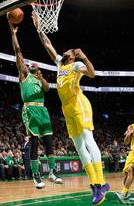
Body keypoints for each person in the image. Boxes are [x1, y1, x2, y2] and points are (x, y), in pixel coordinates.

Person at [32, 12, 109, 205]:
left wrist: (84, 56)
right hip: (66, 108)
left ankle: (99, 182)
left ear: (74, 56)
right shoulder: (60, 63)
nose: (66, 50)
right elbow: (47, 45)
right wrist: (39, 26)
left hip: (79, 104)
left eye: (71, 51)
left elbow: (92, 74)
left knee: (88, 140)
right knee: (78, 145)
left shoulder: (76, 65)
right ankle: (96, 185)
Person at [9, 21, 63, 189]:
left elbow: (47, 88)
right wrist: (13, 34)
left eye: (35, 65)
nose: (33, 64)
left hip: (42, 110)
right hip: (30, 109)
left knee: (48, 141)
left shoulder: (40, 79)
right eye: (31, 64)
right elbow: (18, 52)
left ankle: (52, 173)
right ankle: (36, 175)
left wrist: (42, 78)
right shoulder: (24, 74)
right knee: (34, 142)